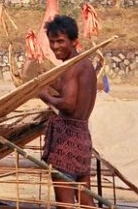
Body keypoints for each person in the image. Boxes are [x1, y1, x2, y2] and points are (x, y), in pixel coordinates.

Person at [37, 15, 97, 207]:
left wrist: (45, 97)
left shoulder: (72, 68)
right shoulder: (86, 65)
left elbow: (69, 104)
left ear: (74, 42)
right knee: (85, 198)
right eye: (52, 42)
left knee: (65, 202)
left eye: (60, 41)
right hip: (82, 139)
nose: (55, 47)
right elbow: (73, 95)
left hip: (66, 143)